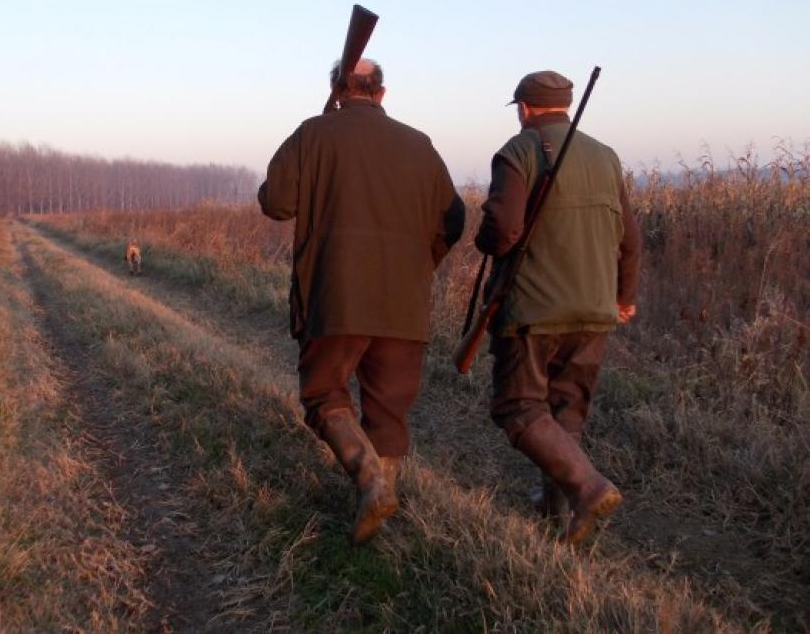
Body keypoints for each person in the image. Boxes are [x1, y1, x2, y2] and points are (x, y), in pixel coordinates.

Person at [259, 58, 464, 544]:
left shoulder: (312, 134)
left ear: (336, 89)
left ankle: (371, 483)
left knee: (324, 392)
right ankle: (377, 514)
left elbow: (275, 202)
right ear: (382, 93)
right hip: (404, 303)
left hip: (336, 297)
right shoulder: (420, 144)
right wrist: (419, 264)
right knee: (388, 410)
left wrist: (309, 140)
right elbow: (453, 221)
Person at [474, 70, 641, 545]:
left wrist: (483, 239)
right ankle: (558, 509)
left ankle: (588, 488)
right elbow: (630, 238)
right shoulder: (606, 157)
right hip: (595, 311)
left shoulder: (518, 151)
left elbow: (503, 231)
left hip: (533, 310)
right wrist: (624, 297)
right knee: (567, 409)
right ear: (565, 106)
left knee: (518, 406)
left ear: (525, 108)